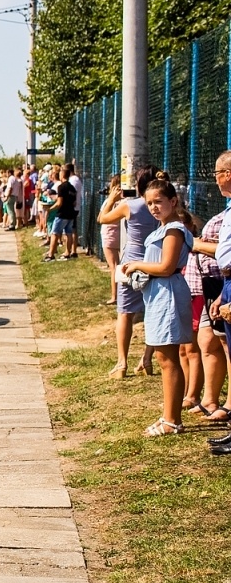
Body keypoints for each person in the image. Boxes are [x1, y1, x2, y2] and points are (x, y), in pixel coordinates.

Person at [120, 177, 194, 436]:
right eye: (149, 203)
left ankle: (172, 420)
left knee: (168, 358)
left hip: (169, 295)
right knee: (165, 357)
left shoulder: (174, 230)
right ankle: (169, 416)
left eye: (158, 202)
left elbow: (166, 266)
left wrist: (138, 265)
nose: (153, 207)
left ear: (173, 202)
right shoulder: (162, 229)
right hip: (158, 296)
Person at [99, 166, 163, 377]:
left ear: (138, 184)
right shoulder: (164, 206)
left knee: (125, 313)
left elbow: (103, 218)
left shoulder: (130, 206)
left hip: (130, 263)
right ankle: (146, 359)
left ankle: (122, 363)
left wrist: (111, 198)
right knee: (153, 312)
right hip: (156, 261)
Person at [194, 152, 231, 426]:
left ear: (228, 174)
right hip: (226, 283)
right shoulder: (228, 209)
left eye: (217, 173)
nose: (216, 179)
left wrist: (196, 244)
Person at [44, 166, 78, 261]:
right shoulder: (72, 188)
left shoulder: (61, 187)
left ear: (62, 175)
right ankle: (68, 252)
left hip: (62, 214)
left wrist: (50, 209)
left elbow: (59, 203)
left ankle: (51, 254)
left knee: (55, 233)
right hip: (71, 213)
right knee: (69, 233)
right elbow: (74, 202)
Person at [100, 174, 124, 304]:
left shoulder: (110, 201)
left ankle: (115, 296)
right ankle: (124, 293)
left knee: (114, 267)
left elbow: (100, 218)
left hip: (109, 235)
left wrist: (110, 200)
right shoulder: (126, 202)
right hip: (123, 235)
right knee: (123, 265)